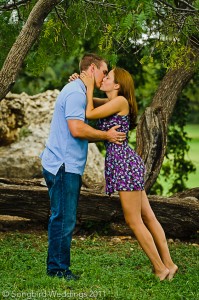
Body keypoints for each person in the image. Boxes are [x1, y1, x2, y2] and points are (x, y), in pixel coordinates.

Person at [78, 67, 178, 281]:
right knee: (148, 216)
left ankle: (160, 268)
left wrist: (87, 87)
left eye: (108, 77)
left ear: (117, 85)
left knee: (133, 220)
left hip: (124, 163)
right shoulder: (113, 102)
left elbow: (89, 113)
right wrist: (81, 85)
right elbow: (93, 101)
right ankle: (169, 264)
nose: (103, 78)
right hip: (124, 162)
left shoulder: (120, 101)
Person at [40, 54, 126, 281]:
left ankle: (57, 266)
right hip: (63, 166)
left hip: (63, 164)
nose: (105, 76)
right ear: (92, 68)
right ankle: (58, 270)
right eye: (104, 71)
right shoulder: (77, 93)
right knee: (64, 218)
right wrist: (107, 135)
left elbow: (98, 108)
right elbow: (78, 129)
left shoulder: (78, 90)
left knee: (63, 216)